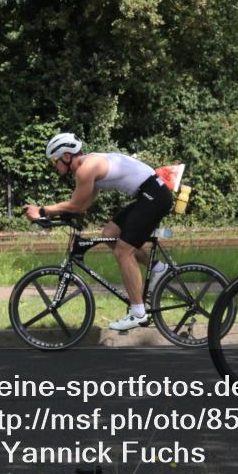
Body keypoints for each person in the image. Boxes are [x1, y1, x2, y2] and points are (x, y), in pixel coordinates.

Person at [25, 133, 173, 330]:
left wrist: (42, 210)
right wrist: (54, 216)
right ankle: (158, 269)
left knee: (123, 251)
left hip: (153, 195)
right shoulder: (88, 166)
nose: (54, 165)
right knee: (109, 233)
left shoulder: (86, 169)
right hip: (150, 194)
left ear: (67, 156)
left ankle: (138, 313)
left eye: (54, 160)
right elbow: (83, 205)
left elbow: (76, 205)